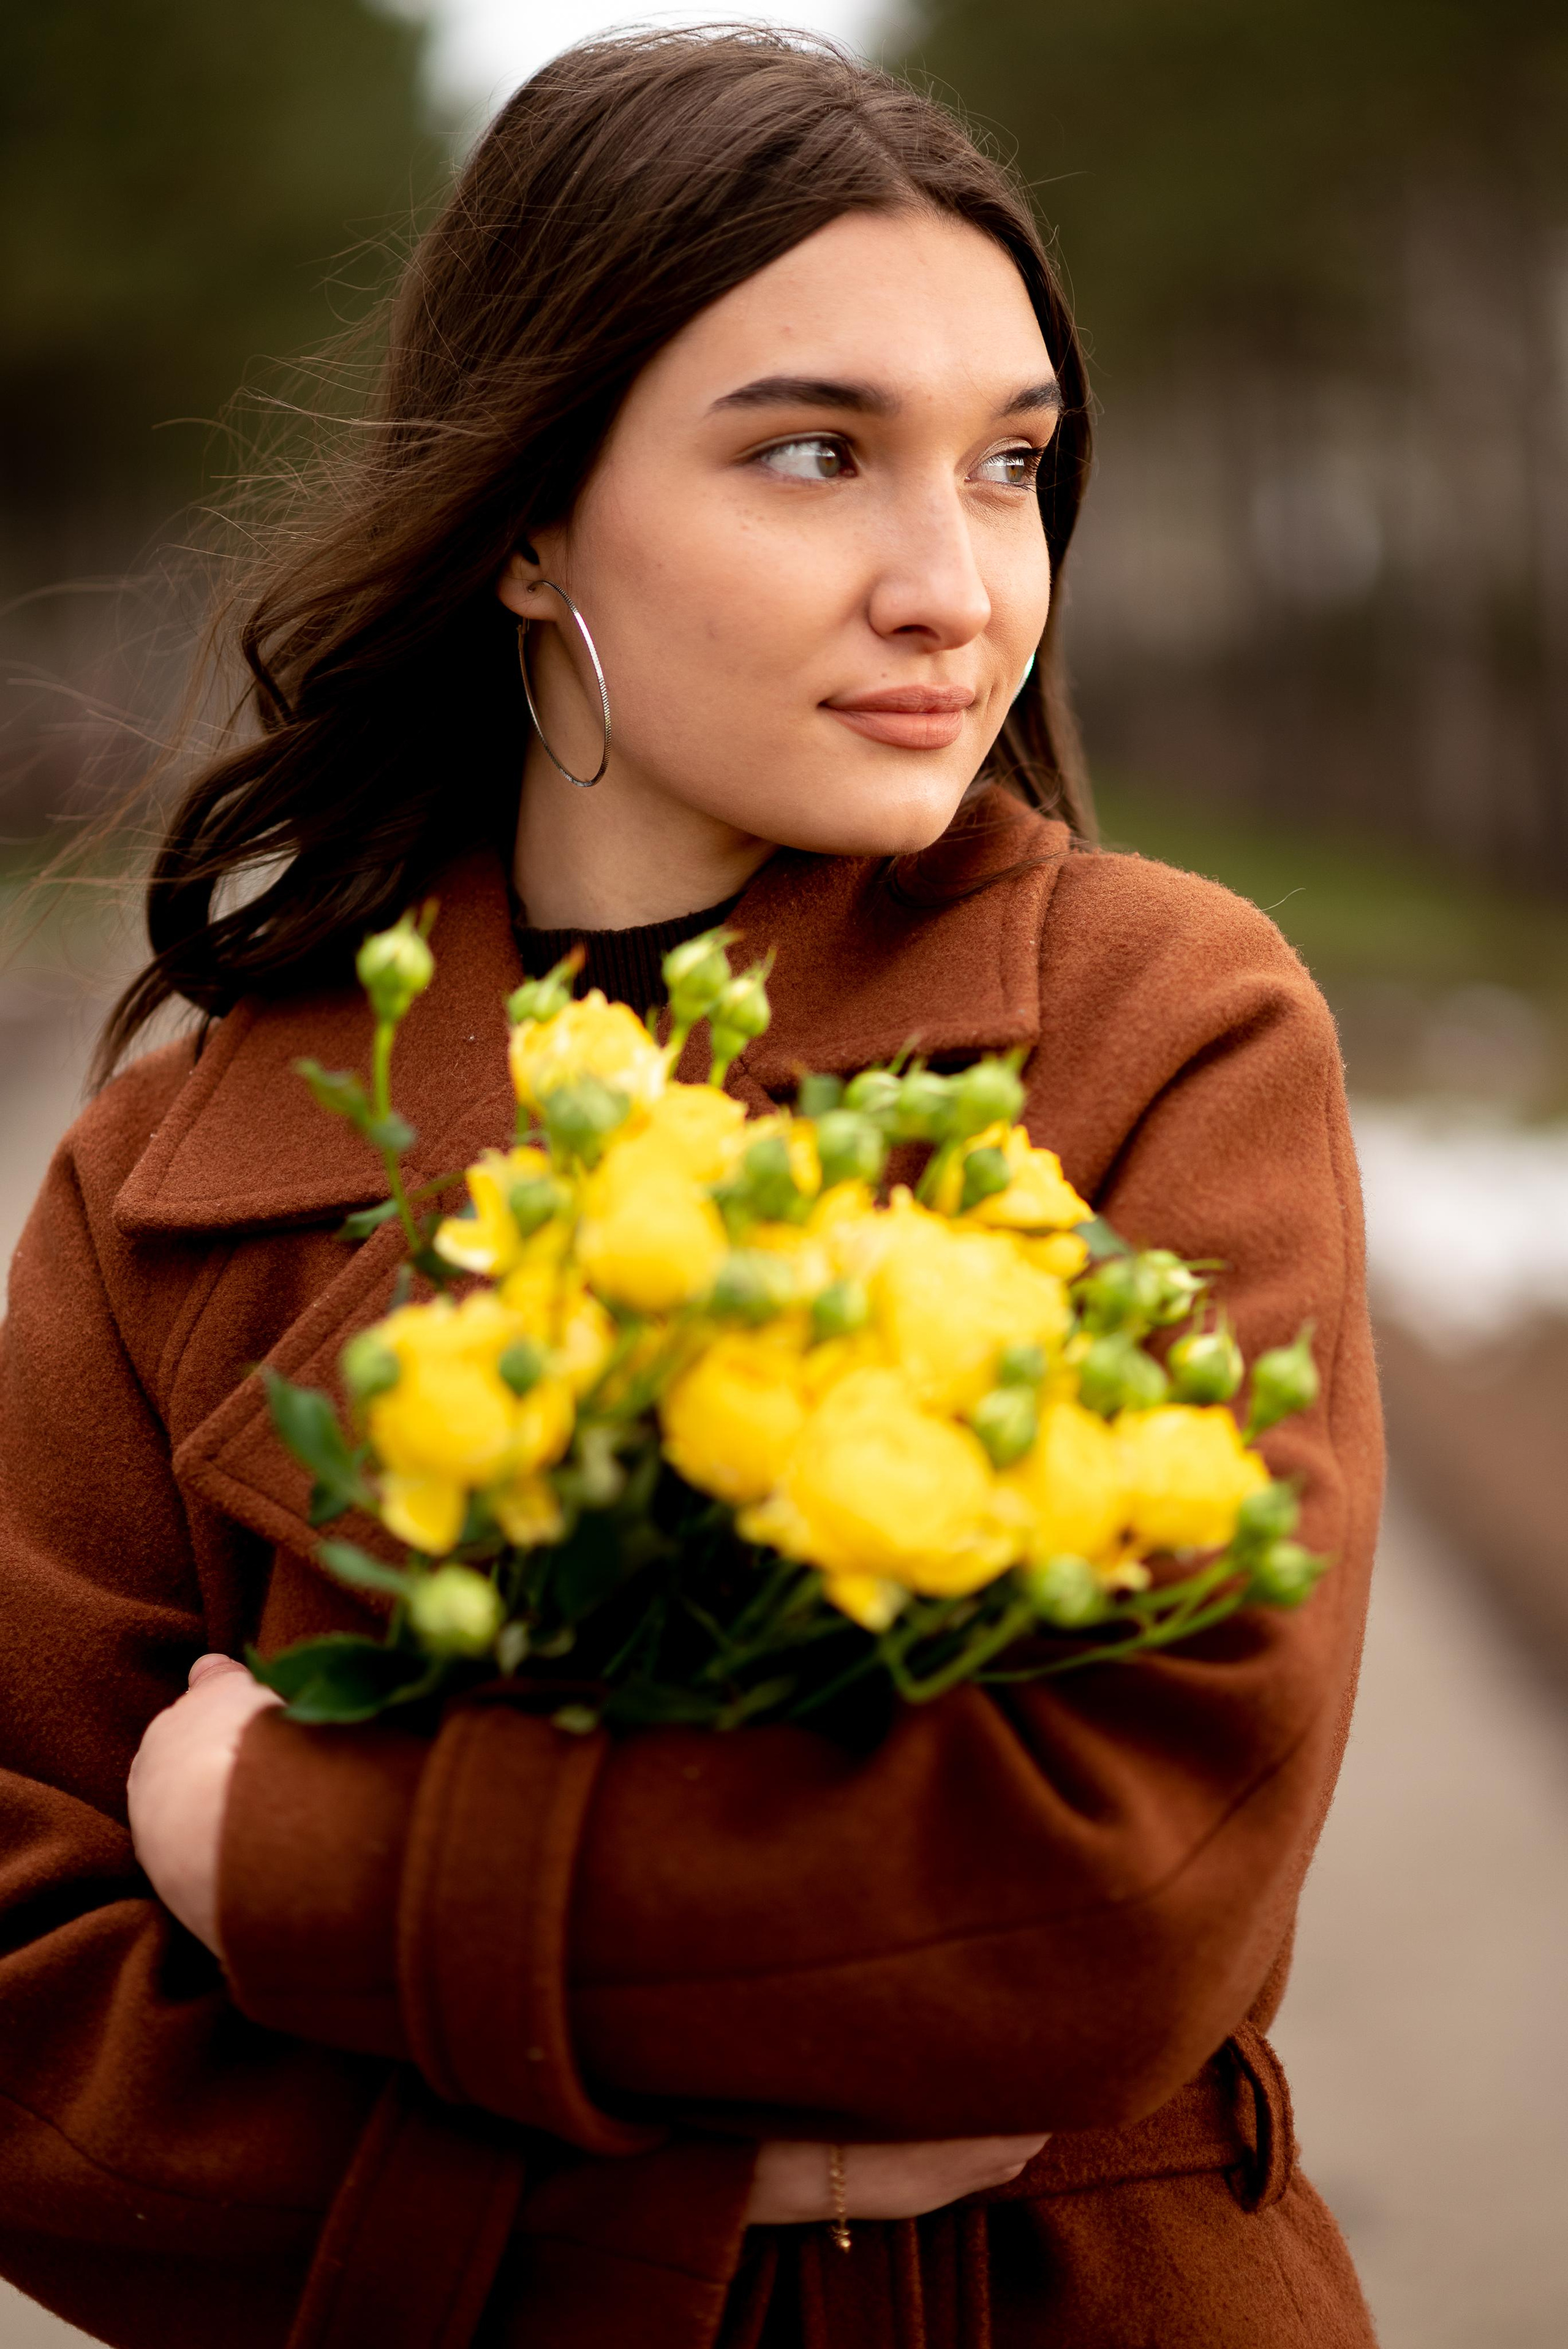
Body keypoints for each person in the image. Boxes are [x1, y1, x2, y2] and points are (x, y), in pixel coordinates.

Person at [0, 29, 1382, 2349]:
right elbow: (31, 2020)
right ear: (531, 520)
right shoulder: (178, 1170)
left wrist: (285, 1853)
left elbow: (1137, 1879)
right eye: (818, 453)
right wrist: (670, 2203)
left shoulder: (1166, 1030)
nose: (957, 586)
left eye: (1012, 465)